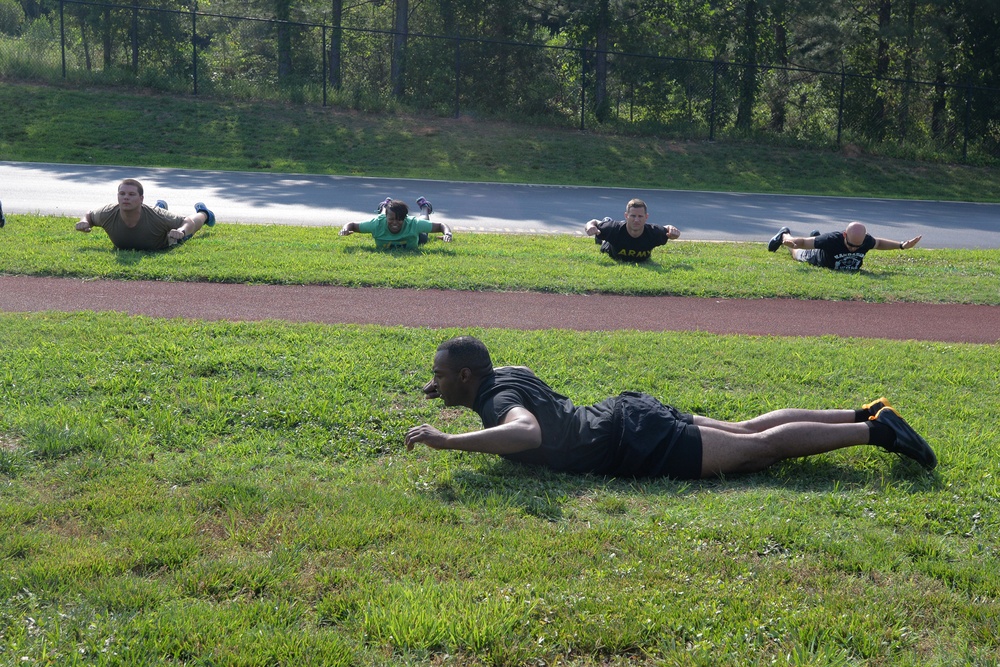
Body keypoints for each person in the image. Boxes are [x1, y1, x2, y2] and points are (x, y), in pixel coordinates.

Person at [404, 336, 937, 479]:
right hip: (628, 414)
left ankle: (880, 433)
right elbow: (505, 395)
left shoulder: (497, 398)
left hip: (633, 441)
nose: (435, 383)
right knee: (748, 429)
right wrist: (446, 391)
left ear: (468, 377)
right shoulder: (503, 375)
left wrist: (448, 440)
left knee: (758, 451)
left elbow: (525, 433)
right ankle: (864, 412)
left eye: (441, 376)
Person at [75, 178, 216, 251]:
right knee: (158, 213)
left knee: (191, 226)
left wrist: (181, 231)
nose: (125, 198)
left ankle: (205, 213)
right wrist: (85, 221)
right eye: (122, 194)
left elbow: (187, 222)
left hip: (165, 239)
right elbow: (90, 215)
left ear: (141, 198)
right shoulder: (108, 212)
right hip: (154, 217)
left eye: (131, 194)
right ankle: (160, 205)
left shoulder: (156, 216)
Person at [767, 221, 921, 271]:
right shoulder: (832, 239)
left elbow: (879, 243)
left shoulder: (865, 240)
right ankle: (783, 234)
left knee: (817, 240)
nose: (853, 249)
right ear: (845, 236)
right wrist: (792, 242)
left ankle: (816, 235)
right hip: (817, 257)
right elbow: (805, 242)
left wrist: (902, 245)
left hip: (823, 245)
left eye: (857, 246)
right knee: (796, 253)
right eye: (851, 245)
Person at [584, 198, 680, 262]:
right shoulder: (612, 229)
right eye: (633, 216)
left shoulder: (654, 232)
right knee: (602, 232)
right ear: (626, 216)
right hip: (609, 245)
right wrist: (590, 226)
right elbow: (594, 222)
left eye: (640, 216)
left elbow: (667, 228)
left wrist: (672, 230)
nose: (637, 220)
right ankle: (606, 221)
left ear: (646, 217)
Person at [339, 197, 453, 250]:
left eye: (399, 219)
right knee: (385, 214)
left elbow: (441, 225)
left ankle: (425, 207)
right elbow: (352, 224)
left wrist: (447, 234)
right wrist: (345, 229)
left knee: (424, 223)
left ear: (405, 218)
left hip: (417, 237)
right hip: (383, 217)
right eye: (392, 219)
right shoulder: (377, 224)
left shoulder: (413, 223)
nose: (395, 223)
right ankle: (385, 205)